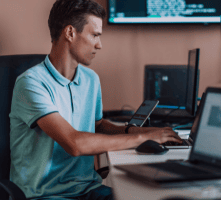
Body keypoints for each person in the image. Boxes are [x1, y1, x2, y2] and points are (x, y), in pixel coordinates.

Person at [9, 0, 182, 199]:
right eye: (95, 35)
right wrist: (143, 139)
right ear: (70, 33)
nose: (99, 45)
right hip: (45, 195)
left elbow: (96, 126)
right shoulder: (31, 83)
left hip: (88, 189)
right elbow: (75, 144)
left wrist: (138, 130)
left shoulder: (90, 79)